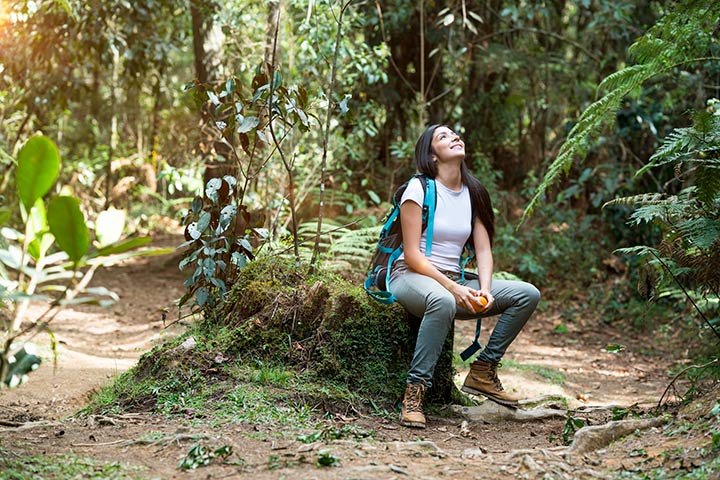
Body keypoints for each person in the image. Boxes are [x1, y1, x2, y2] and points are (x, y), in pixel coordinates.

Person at [389, 124, 541, 429]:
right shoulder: (418, 189)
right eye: (443, 137)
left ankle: (483, 369)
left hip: (455, 279)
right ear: (431, 156)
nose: (455, 137)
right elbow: (412, 255)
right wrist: (453, 289)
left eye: (455, 133)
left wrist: (485, 290)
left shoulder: (473, 192)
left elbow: (483, 251)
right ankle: (414, 393)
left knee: (527, 293)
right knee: (443, 301)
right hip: (411, 274)